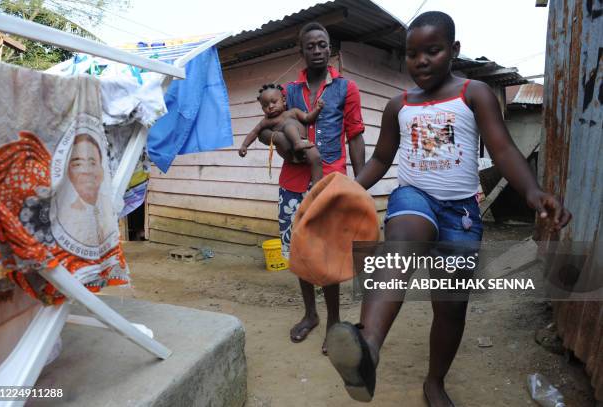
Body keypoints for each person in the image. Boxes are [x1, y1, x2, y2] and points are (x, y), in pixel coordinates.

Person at [325, 11, 572, 406]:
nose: (420, 61)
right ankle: (367, 348)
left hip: (461, 213)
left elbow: (504, 149)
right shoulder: (398, 105)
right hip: (414, 197)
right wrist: (344, 189)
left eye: (432, 51)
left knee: (451, 309)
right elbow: (380, 160)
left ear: (453, 50)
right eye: (412, 54)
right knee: (402, 241)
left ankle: (434, 382)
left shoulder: (473, 93)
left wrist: (532, 192)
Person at [257, 22, 366, 354]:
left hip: (330, 182)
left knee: (328, 254)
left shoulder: (346, 88)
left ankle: (333, 321)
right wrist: (288, 147)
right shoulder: (287, 92)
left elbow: (355, 135)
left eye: (323, 45)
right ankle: (310, 314)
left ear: (329, 48)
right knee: (300, 252)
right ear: (300, 51)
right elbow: (263, 131)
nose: (317, 51)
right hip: (292, 185)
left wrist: (360, 185)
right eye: (311, 46)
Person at [239, 83, 324, 185]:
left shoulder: (293, 112)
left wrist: (317, 110)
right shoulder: (267, 121)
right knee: (288, 126)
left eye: (274, 102)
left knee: (316, 158)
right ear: (262, 109)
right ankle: (297, 144)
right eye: (265, 105)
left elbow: (307, 118)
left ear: (284, 100)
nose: (270, 106)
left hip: (304, 143)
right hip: (289, 150)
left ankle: (317, 186)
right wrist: (244, 145)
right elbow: (254, 132)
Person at [55, 133, 115, 249]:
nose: (86, 171)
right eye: (78, 164)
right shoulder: (63, 210)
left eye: (92, 163)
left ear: (102, 170)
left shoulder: (109, 205)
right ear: (68, 172)